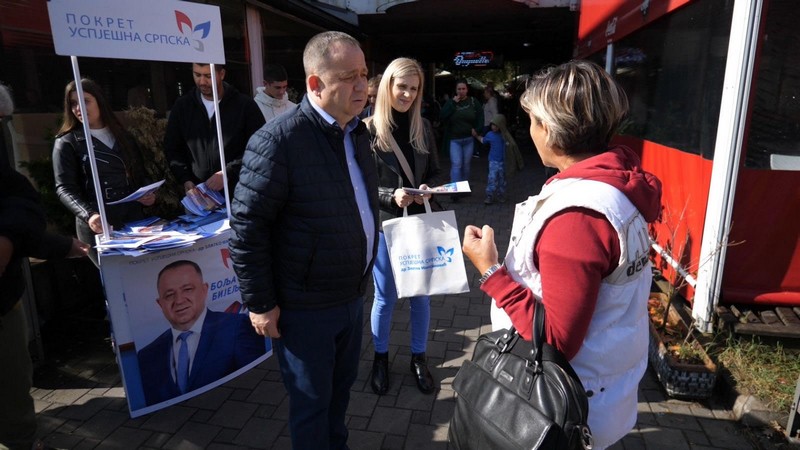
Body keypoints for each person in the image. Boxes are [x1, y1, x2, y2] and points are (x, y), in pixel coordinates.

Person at [461, 60, 662, 450]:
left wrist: (490, 271)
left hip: (559, 407)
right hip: (602, 390)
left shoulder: (578, 216)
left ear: (551, 130)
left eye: (533, 120)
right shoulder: (616, 185)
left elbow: (556, 338)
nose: (531, 131)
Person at [229, 31, 378, 449]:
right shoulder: (278, 141)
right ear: (314, 83)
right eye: (349, 76)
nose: (362, 86)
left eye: (364, 74)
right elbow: (247, 227)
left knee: (339, 396)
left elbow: (356, 200)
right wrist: (260, 302)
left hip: (350, 296)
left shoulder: (356, 133)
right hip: (305, 307)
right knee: (312, 405)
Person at [0, 83, 90, 450]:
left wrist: (58, 244)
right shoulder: (65, 143)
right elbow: (56, 190)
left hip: (4, 299)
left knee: (12, 378)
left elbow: (12, 203)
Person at [364, 57, 444, 396]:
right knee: (386, 297)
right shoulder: (366, 130)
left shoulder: (423, 127)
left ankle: (418, 357)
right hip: (387, 226)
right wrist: (389, 196)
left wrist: (427, 189)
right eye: (402, 87)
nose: (408, 95)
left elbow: (436, 173)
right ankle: (380, 358)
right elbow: (362, 185)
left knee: (420, 297)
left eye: (414, 89)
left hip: (421, 224)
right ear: (387, 87)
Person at [52, 78, 155, 267]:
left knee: (142, 276)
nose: (78, 108)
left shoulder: (124, 136)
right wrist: (89, 214)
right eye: (73, 103)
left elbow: (140, 174)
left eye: (85, 101)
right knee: (115, 281)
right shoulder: (67, 143)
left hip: (133, 220)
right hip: (97, 225)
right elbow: (64, 188)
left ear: (99, 100)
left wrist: (147, 192)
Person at [137, 260, 267, 406]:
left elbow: (257, 383)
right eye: (169, 295)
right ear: (160, 304)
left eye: (187, 289)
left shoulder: (237, 327)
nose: (179, 300)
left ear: (204, 290)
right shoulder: (146, 356)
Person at [164, 63, 264, 196]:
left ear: (221, 74)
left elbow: (260, 148)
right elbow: (172, 147)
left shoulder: (245, 105)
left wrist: (228, 172)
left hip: (240, 193)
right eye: (197, 75)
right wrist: (185, 178)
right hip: (199, 195)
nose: (202, 81)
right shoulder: (183, 107)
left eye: (208, 76)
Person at [440, 79, 482, 201]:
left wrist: (478, 129)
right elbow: (442, 116)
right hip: (455, 140)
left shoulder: (473, 102)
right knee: (457, 164)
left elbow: (480, 116)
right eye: (459, 89)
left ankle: (464, 188)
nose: (461, 91)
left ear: (467, 90)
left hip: (468, 139)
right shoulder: (451, 102)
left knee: (466, 166)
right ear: (456, 90)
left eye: (463, 89)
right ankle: (455, 192)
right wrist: (452, 103)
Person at [472, 113, 514, 204]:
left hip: (503, 161)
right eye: (492, 125)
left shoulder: (505, 135)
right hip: (493, 162)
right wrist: (476, 136)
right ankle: (489, 195)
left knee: (502, 180)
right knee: (492, 178)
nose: (493, 127)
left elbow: (511, 147)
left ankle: (501, 195)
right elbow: (483, 140)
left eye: (496, 125)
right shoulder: (491, 135)